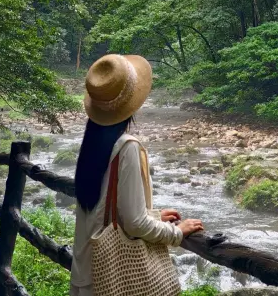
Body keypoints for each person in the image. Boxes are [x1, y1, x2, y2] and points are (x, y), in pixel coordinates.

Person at [70, 54, 204, 296]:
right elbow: (134, 223)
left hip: (85, 272)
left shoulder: (92, 144)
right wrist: (177, 232)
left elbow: (102, 210)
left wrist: (151, 214)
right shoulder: (127, 147)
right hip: (111, 278)